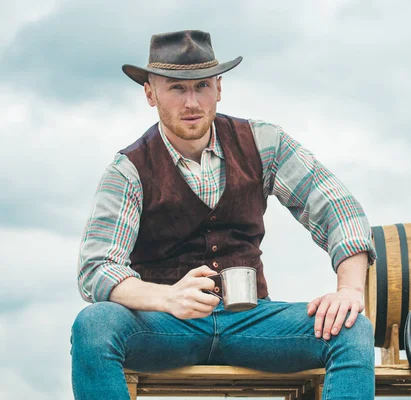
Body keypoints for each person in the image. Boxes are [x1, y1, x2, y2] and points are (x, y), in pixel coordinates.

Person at [71, 29, 377, 399]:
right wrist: (166, 299)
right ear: (150, 94)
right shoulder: (128, 169)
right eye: (176, 88)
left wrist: (349, 290)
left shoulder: (264, 142)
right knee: (94, 325)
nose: (191, 103)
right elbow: (97, 267)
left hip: (253, 323)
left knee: (351, 328)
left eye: (201, 86)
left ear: (219, 87)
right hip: (166, 328)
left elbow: (339, 208)